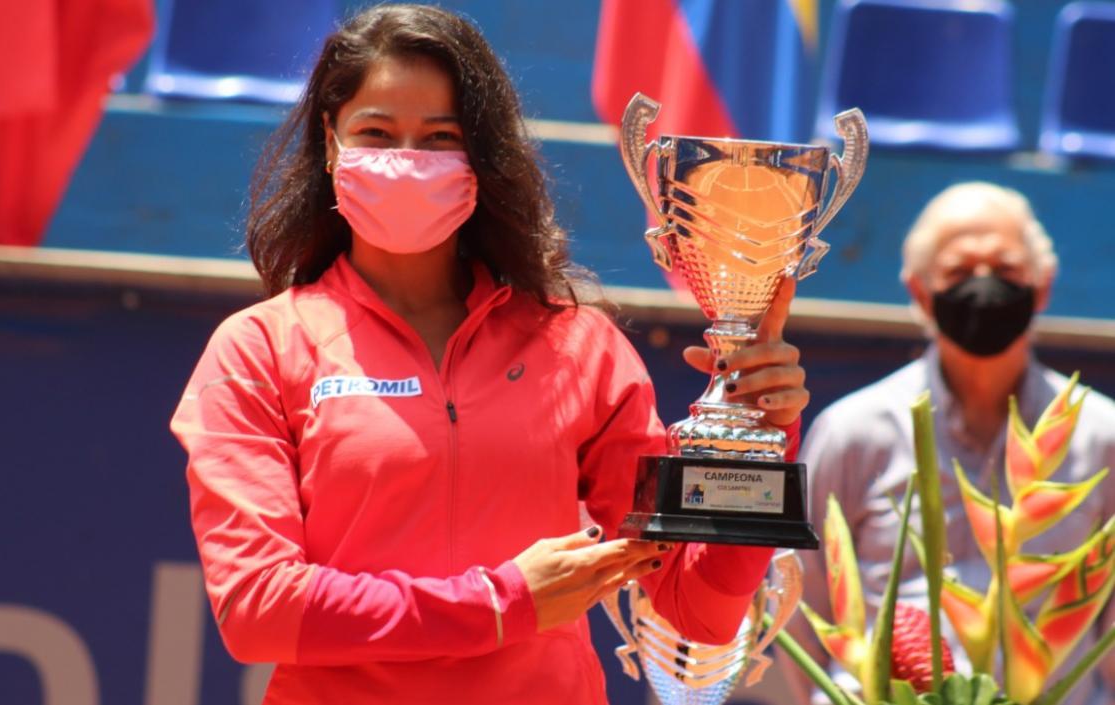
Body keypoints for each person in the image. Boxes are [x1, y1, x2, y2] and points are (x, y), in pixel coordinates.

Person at [170, 4, 812, 704]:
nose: (408, 159)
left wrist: (757, 437)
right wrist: (501, 603)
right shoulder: (258, 349)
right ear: (331, 146)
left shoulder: (578, 346)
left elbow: (697, 608)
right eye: (378, 133)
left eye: (440, 138)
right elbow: (259, 609)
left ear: (481, 155)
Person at [797, 182, 1115, 704]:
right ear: (920, 292)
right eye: (959, 272)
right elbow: (804, 601)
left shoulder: (1101, 436)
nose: (984, 287)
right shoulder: (854, 431)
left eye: (1007, 270)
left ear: (1043, 286)